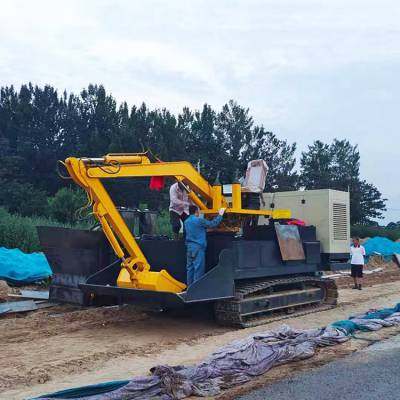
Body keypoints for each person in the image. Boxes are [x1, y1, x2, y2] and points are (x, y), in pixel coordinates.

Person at [184, 205, 225, 286]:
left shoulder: (186, 221)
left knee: (190, 269)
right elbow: (213, 224)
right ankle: (196, 290)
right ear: (196, 211)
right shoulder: (199, 220)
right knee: (198, 269)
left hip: (189, 247)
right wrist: (220, 214)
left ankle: (189, 289)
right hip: (198, 248)